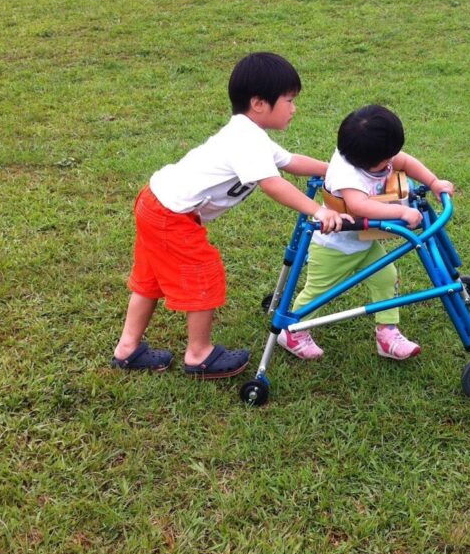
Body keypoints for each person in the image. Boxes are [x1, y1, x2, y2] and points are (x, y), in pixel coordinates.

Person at [111, 52, 350, 378]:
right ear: (259, 104)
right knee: (203, 275)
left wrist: (340, 171)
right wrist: (318, 210)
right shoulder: (245, 140)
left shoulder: (253, 136)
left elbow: (291, 161)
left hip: (158, 203)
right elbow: (273, 185)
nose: (294, 108)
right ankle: (199, 355)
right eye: (289, 100)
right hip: (171, 214)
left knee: (150, 280)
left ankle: (127, 349)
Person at [278, 104, 454, 361]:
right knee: (319, 291)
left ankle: (387, 332)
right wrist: (401, 212)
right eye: (386, 160)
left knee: (386, 278)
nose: (392, 162)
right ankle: (293, 330)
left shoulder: (372, 154)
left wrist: (434, 182)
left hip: (364, 240)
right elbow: (360, 206)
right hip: (334, 246)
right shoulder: (346, 174)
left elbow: (404, 161)